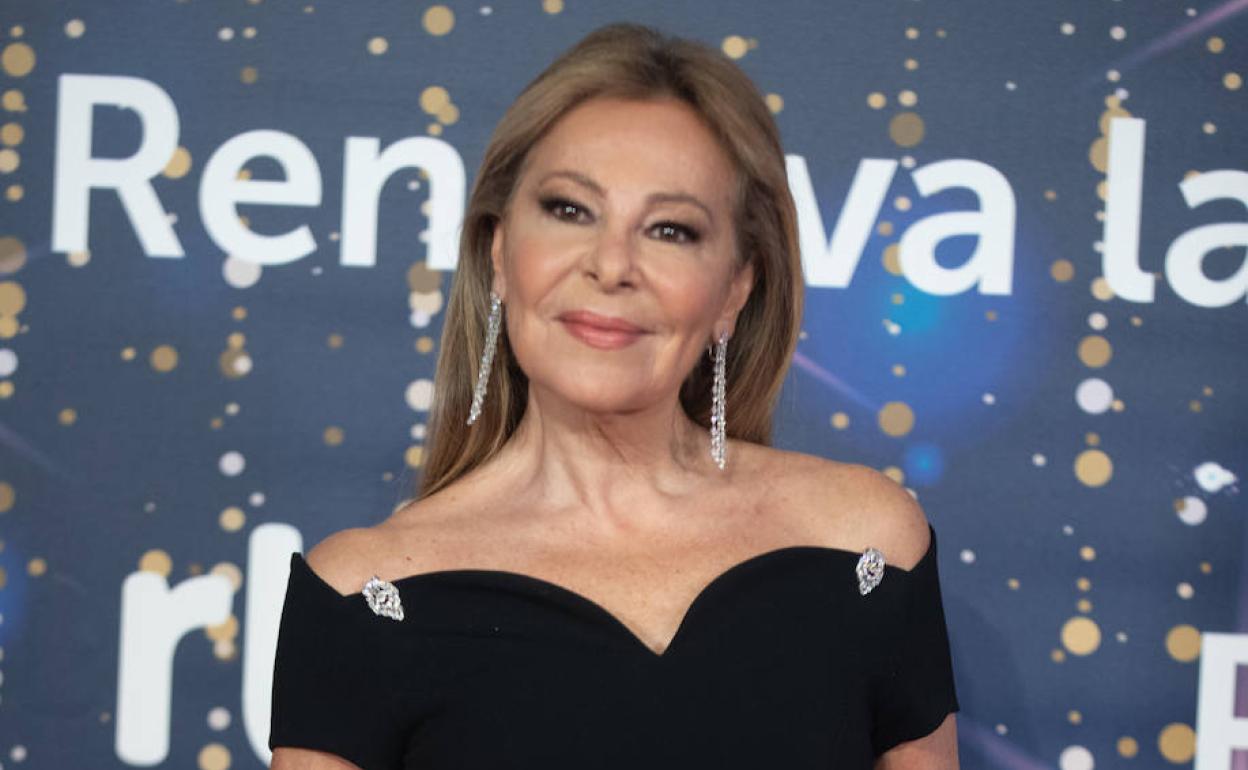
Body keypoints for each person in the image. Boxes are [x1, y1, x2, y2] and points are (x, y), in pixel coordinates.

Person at [268, 21, 959, 770]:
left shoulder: (865, 546)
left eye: (670, 230)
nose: (611, 265)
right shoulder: (362, 597)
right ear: (499, 251)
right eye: (570, 210)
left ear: (735, 288)